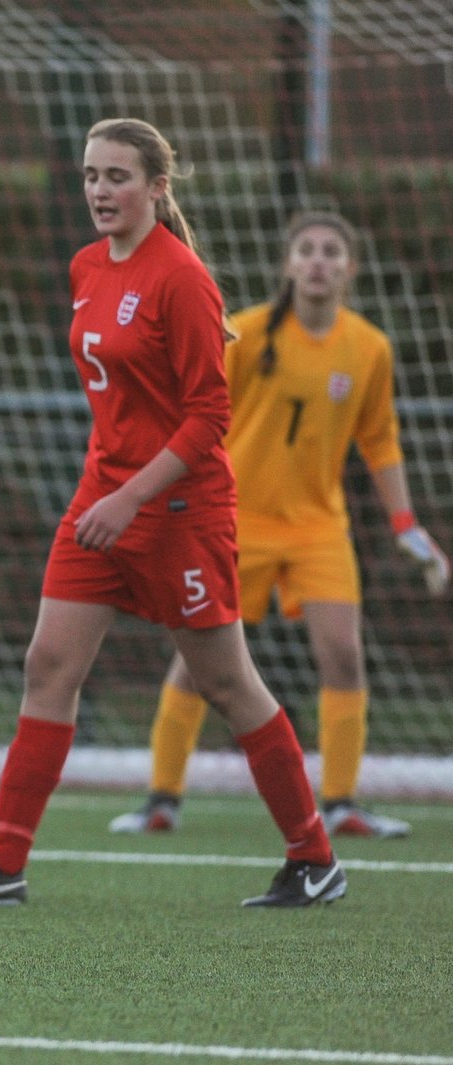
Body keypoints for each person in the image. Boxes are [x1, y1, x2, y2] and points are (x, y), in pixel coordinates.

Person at [0, 118, 347, 909]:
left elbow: (210, 417)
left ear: (156, 187)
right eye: (90, 175)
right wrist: (110, 485)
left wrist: (134, 492)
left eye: (117, 176)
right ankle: (3, 860)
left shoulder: (182, 277)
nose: (100, 191)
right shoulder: (85, 266)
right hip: (102, 500)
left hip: (177, 509)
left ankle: (315, 857)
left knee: (225, 681)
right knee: (49, 665)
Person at [111, 211, 450, 840]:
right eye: (306, 250)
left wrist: (406, 524)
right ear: (288, 265)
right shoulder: (245, 334)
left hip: (319, 528)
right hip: (234, 524)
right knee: (200, 664)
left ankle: (343, 802)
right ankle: (162, 798)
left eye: (331, 252)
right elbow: (196, 416)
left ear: (349, 269)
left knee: (343, 656)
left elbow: (380, 441)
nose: (318, 261)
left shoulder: (369, 347)